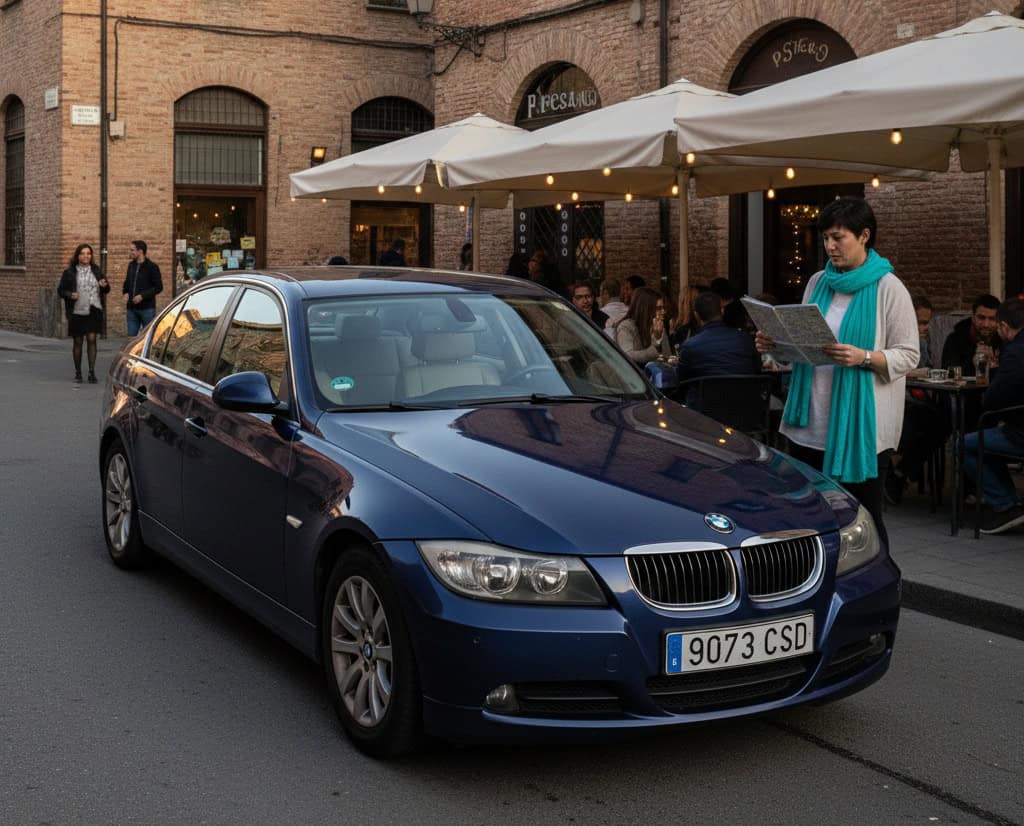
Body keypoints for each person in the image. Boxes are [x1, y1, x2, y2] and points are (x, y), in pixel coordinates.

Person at [755, 196, 918, 545]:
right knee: (810, 516)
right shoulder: (817, 282)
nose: (830, 246)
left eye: (838, 237)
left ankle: (877, 587)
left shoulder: (889, 288)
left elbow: (909, 356)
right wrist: (776, 347)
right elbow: (805, 347)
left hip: (862, 428)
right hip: (811, 422)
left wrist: (864, 357)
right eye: (826, 237)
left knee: (864, 517)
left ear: (864, 236)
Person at [962, 298, 1024, 534]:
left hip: (1019, 433)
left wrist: (995, 372)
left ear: (1005, 327)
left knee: (963, 444)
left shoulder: (1014, 353)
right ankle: (1010, 501)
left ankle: (1005, 505)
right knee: (986, 439)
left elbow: (991, 401)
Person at [885, 293, 949, 504]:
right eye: (920, 322)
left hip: (916, 400)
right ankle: (895, 474)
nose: (925, 327)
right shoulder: (892, 339)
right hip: (896, 402)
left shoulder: (921, 342)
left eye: (927, 323)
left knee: (941, 423)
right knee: (931, 425)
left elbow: (927, 368)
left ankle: (900, 474)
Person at [677, 290, 761, 383]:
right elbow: (757, 371)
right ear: (722, 310)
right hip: (745, 396)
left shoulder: (690, 346)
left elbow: (681, 379)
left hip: (705, 396)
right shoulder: (746, 340)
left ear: (696, 315)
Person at [58, 243, 111, 383]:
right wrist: (70, 295)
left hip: (93, 309)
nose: (86, 256)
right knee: (78, 341)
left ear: (91, 256)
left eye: (88, 253)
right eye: (82, 253)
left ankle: (92, 372)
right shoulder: (69, 272)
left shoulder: (97, 270)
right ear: (77, 256)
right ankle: (78, 372)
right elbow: (61, 290)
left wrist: (104, 286)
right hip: (77, 310)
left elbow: (106, 288)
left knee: (92, 339)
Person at [941, 293, 1002, 377]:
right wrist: (978, 363)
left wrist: (993, 365)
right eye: (981, 317)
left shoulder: (1003, 341)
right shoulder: (955, 340)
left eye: (992, 319)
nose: (986, 324)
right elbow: (950, 376)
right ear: (973, 317)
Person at [613, 286, 673, 364]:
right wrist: (656, 344)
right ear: (646, 309)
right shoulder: (626, 327)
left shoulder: (658, 326)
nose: (663, 312)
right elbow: (628, 356)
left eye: (663, 308)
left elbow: (667, 357)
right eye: (658, 308)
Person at [121, 240, 163, 336]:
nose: (130, 252)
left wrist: (142, 296)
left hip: (147, 309)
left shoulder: (152, 267)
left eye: (132, 250)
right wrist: (125, 292)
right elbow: (127, 282)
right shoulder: (131, 265)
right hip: (131, 308)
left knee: (147, 337)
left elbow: (159, 287)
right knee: (131, 338)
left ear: (140, 251)